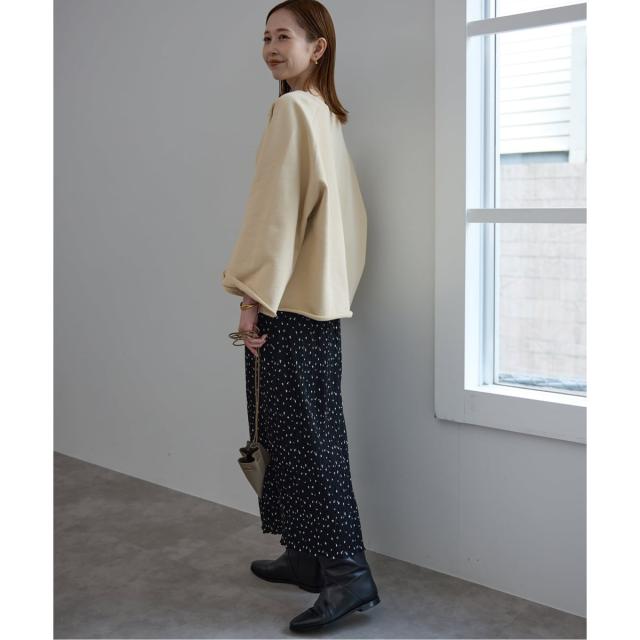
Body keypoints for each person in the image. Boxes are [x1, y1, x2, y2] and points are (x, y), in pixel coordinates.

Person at [221, 0, 380, 632]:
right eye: (265, 36)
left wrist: (250, 297)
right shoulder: (324, 115)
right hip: (316, 306)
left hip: (287, 305)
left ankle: (348, 574)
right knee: (301, 436)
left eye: (283, 36)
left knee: (307, 443)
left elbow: (276, 214)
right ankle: (308, 556)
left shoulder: (292, 111)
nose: (270, 47)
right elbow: (348, 220)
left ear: (318, 47)